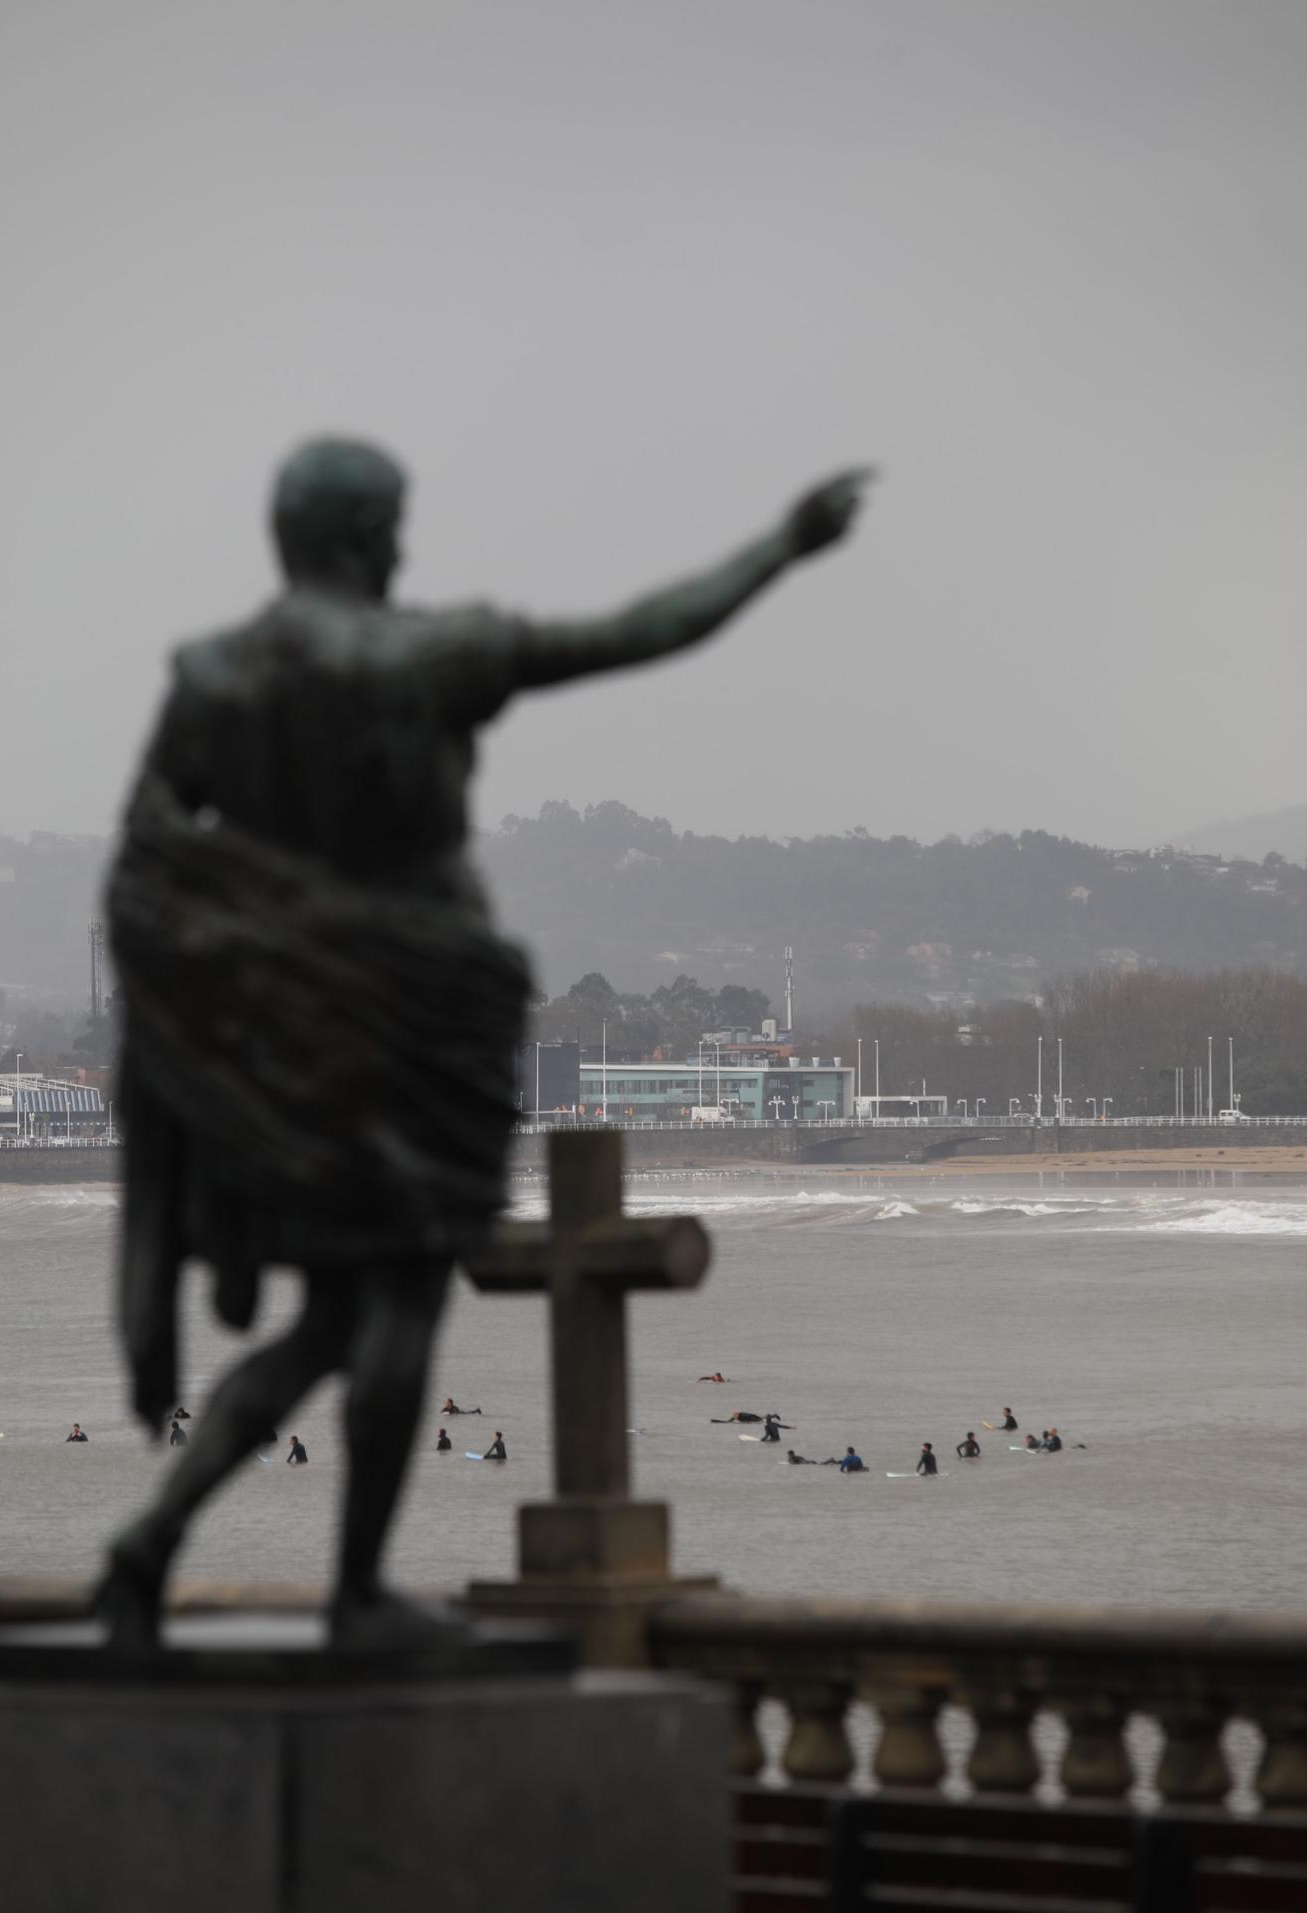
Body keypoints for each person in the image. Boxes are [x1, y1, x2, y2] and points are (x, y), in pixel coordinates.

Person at [94, 438, 871, 1650]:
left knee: (330, 1319)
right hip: (414, 1019)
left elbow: (147, 872)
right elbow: (639, 631)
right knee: (396, 1301)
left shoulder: (212, 677)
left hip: (289, 1051)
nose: (404, 548)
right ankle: (354, 1593)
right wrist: (784, 544)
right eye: (393, 524)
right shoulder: (427, 652)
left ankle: (151, 1542)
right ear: (357, 534)